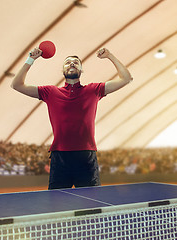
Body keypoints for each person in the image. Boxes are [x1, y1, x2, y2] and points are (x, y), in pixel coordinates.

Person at [11, 47, 133, 189]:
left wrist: (110, 56)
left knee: (91, 205)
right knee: (58, 204)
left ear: (81, 70)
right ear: (63, 71)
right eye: (68, 62)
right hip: (60, 157)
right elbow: (16, 85)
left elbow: (126, 79)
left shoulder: (94, 90)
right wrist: (30, 59)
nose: (72, 64)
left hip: (86, 157)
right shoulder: (50, 92)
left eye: (76, 62)